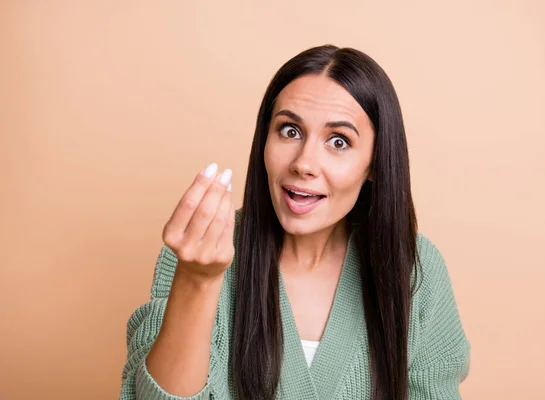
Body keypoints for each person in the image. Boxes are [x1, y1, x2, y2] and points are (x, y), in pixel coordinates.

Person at [119, 44, 470, 400]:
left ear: (375, 164)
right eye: (289, 131)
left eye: (338, 141)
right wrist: (197, 281)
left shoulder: (415, 270)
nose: (303, 163)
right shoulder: (201, 256)